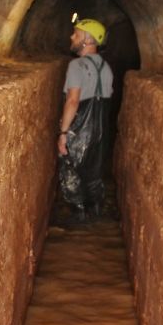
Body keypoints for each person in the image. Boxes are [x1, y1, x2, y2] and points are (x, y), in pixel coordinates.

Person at [56, 18, 114, 222]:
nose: (72, 37)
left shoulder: (76, 66)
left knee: (71, 173)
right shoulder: (106, 67)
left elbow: (73, 100)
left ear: (88, 39)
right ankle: (96, 214)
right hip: (100, 130)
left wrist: (63, 133)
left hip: (80, 127)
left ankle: (79, 218)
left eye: (77, 33)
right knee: (94, 174)